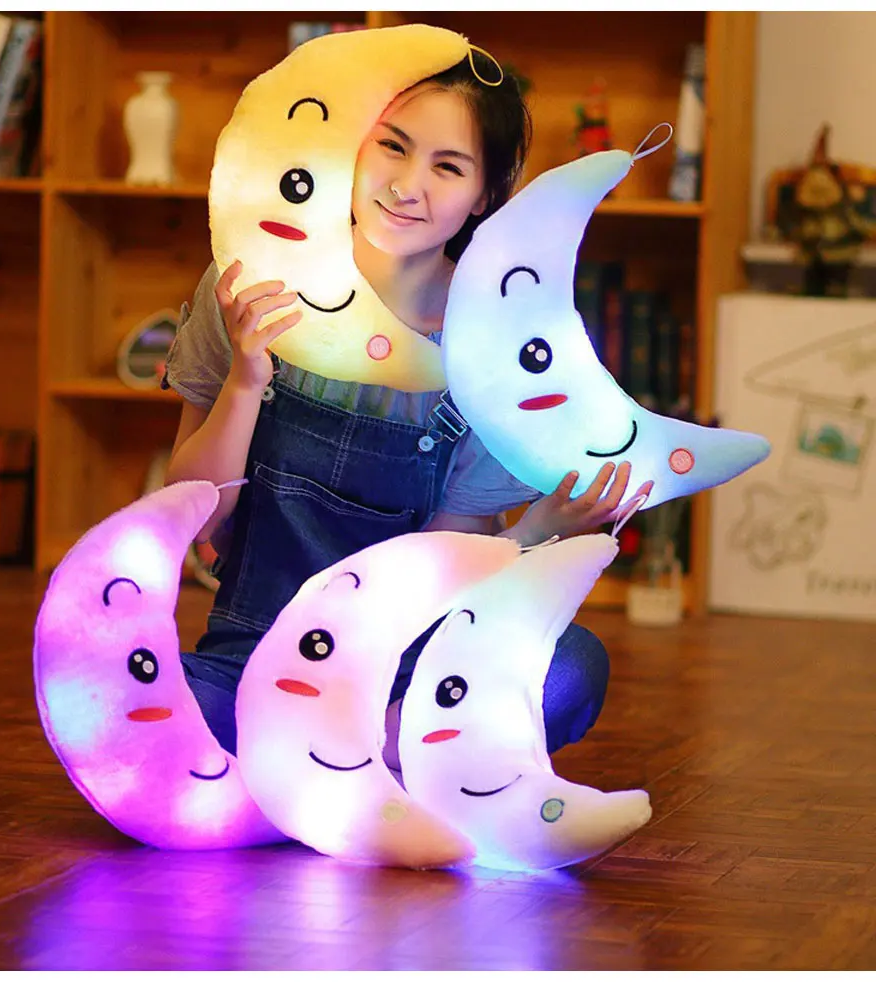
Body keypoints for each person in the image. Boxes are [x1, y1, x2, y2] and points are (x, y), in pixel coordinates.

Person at [162, 48, 651, 768]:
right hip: (255, 657)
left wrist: (540, 529)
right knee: (135, 699)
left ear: (484, 194)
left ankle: (341, 759)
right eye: (392, 146)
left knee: (570, 668)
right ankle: (372, 769)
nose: (406, 185)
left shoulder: (493, 345)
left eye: (448, 167)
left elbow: (450, 567)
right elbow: (194, 517)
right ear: (352, 146)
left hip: (408, 670)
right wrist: (245, 379)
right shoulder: (250, 281)